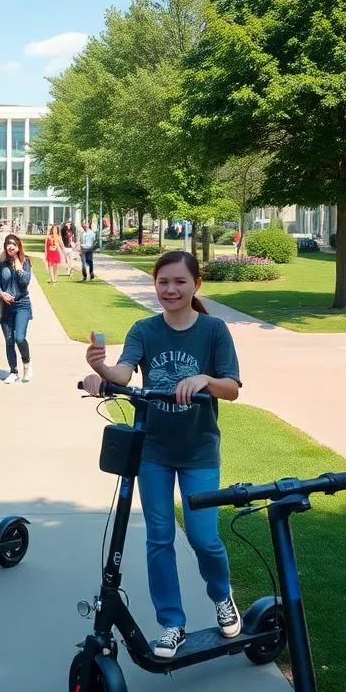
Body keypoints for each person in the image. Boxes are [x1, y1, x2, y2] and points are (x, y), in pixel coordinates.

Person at [81, 250, 243, 658]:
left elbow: (232, 387)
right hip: (153, 449)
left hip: (200, 450)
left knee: (205, 538)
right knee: (159, 538)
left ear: (195, 285)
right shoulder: (144, 329)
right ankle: (172, 623)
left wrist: (205, 378)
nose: (170, 290)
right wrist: (99, 371)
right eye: (163, 282)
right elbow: (124, 372)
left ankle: (222, 597)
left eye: (179, 282)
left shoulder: (214, 330)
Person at [0, 234, 34, 384]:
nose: (10, 246)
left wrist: (19, 269)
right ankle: (13, 371)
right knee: (9, 340)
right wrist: (1, 293)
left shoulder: (25, 262)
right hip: (6, 306)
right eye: (7, 244)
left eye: (13, 244)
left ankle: (27, 365)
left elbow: (25, 283)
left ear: (18, 246)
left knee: (19, 337)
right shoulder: (1, 264)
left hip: (22, 304)